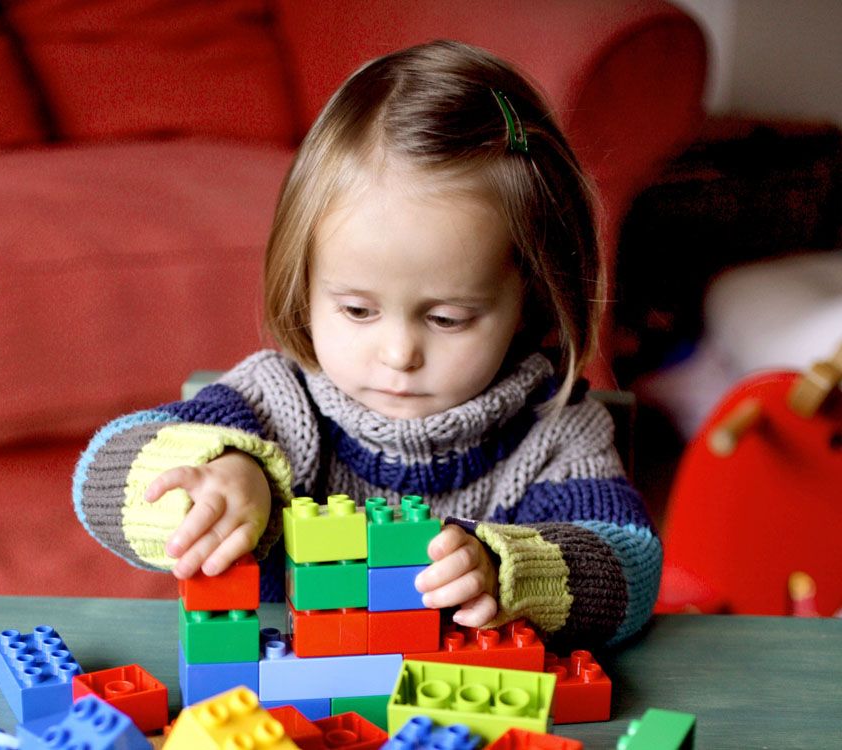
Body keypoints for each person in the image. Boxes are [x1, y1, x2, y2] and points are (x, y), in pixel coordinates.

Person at [73, 40, 660, 647]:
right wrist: (222, 478)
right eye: (357, 310)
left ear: (531, 300)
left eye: (448, 318)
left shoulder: (556, 430)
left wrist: (508, 572)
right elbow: (100, 478)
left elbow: (633, 573)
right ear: (304, 284)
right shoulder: (275, 404)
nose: (399, 353)